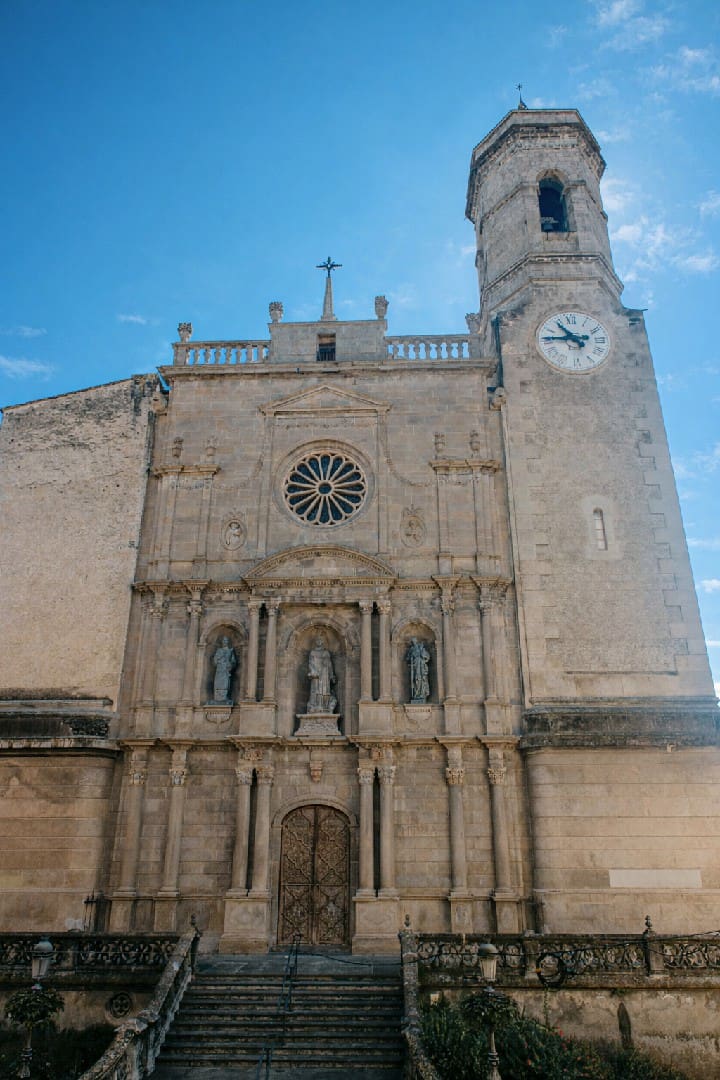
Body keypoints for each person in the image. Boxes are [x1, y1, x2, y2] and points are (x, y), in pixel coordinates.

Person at [307, 635, 337, 712]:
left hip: (324, 674)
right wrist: (313, 671)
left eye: (320, 640)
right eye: (317, 640)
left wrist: (331, 675)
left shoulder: (326, 652)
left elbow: (329, 665)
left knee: (324, 691)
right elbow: (310, 663)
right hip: (316, 675)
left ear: (323, 642)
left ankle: (324, 707)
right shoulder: (312, 652)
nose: (319, 641)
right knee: (315, 690)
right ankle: (314, 706)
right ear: (315, 642)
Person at [212, 636, 237, 703]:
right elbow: (214, 661)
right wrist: (219, 660)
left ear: (228, 642)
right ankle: (217, 698)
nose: (224, 642)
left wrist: (230, 665)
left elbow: (233, 662)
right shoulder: (219, 650)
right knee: (218, 683)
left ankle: (224, 697)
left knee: (225, 684)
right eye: (223, 641)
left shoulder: (230, 651)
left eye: (226, 641)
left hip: (226, 670)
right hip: (219, 670)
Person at [406, 637, 430, 703]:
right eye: (412, 641)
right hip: (414, 667)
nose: (413, 642)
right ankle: (416, 695)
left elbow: (427, 656)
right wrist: (410, 658)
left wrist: (423, 655)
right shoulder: (411, 649)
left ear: (416, 641)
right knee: (415, 680)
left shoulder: (421, 648)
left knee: (421, 679)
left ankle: (421, 694)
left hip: (421, 666)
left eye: (414, 641)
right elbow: (407, 658)